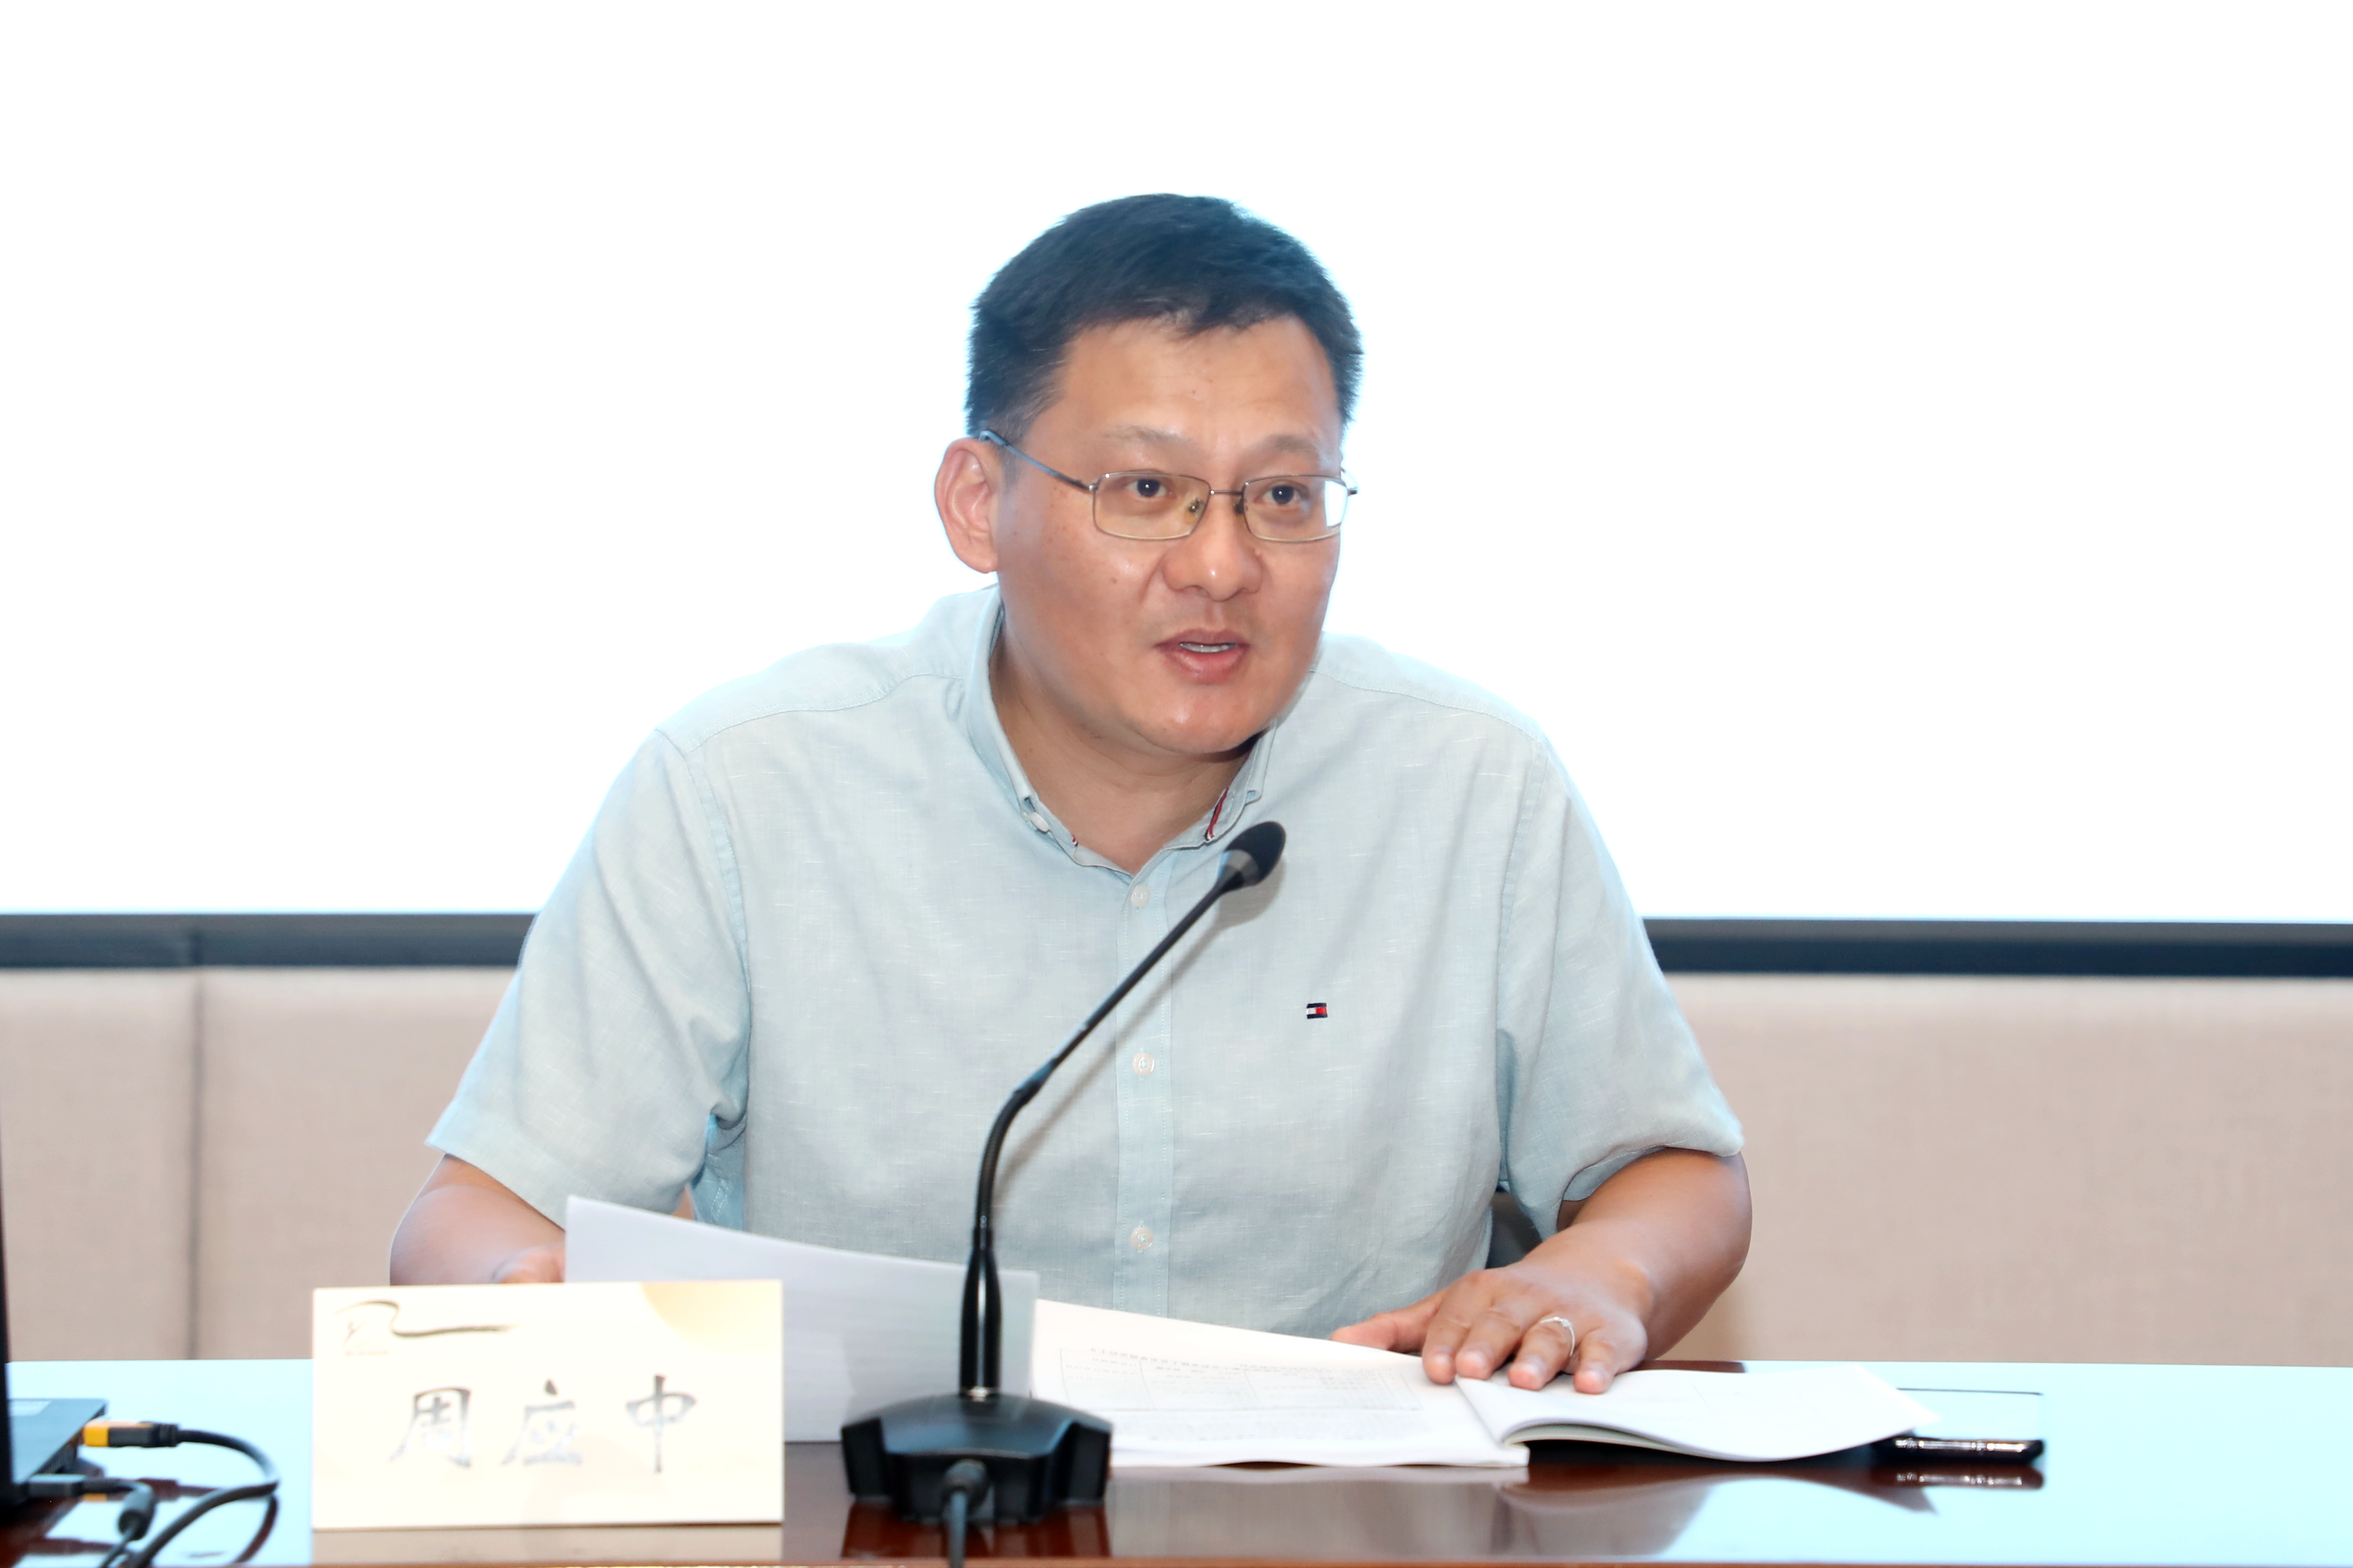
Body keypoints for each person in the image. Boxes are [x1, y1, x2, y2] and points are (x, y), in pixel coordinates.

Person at [392, 194, 1748, 1395]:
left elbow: (1671, 1170)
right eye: (1148, 489)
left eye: (1284, 494)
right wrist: (522, 1287)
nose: (1221, 564)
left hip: (1349, 1526)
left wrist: (1598, 1273)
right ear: (976, 503)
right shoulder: (744, 786)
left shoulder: (1471, 783)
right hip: (888, 1524)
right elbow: (478, 1213)